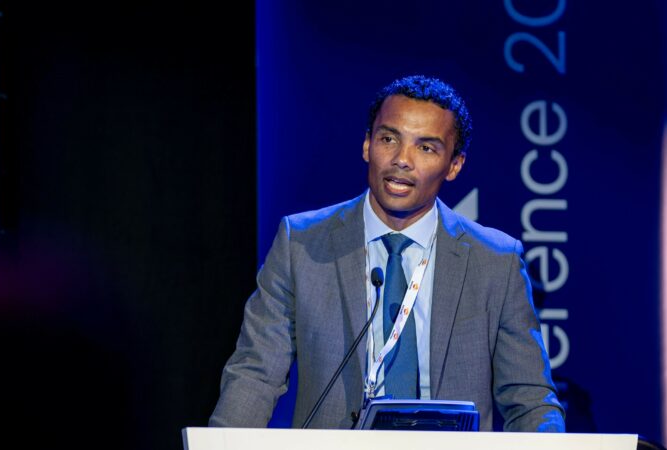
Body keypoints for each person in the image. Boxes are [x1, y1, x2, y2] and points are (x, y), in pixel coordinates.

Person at [209, 75, 565, 432]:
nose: (402, 160)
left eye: (426, 148)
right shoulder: (301, 244)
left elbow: (530, 401)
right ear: (367, 145)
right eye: (389, 139)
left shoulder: (496, 261)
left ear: (454, 165)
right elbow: (255, 375)